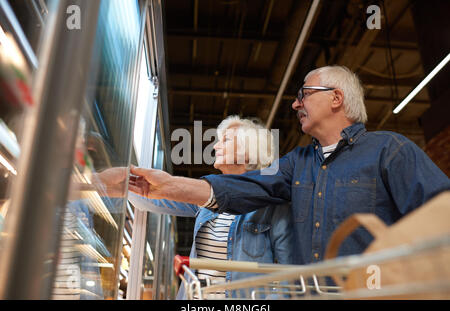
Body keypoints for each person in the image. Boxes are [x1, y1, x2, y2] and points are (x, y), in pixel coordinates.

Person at [128, 65, 450, 268]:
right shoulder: (297, 163)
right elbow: (245, 186)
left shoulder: (389, 151)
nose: (296, 103)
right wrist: (164, 184)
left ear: (336, 98)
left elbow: (440, 214)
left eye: (304, 94)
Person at [107, 116, 294, 299]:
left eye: (225, 140)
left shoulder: (274, 207)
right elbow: (149, 198)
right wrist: (110, 182)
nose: (215, 146)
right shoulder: (206, 197)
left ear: (249, 152)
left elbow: (291, 279)